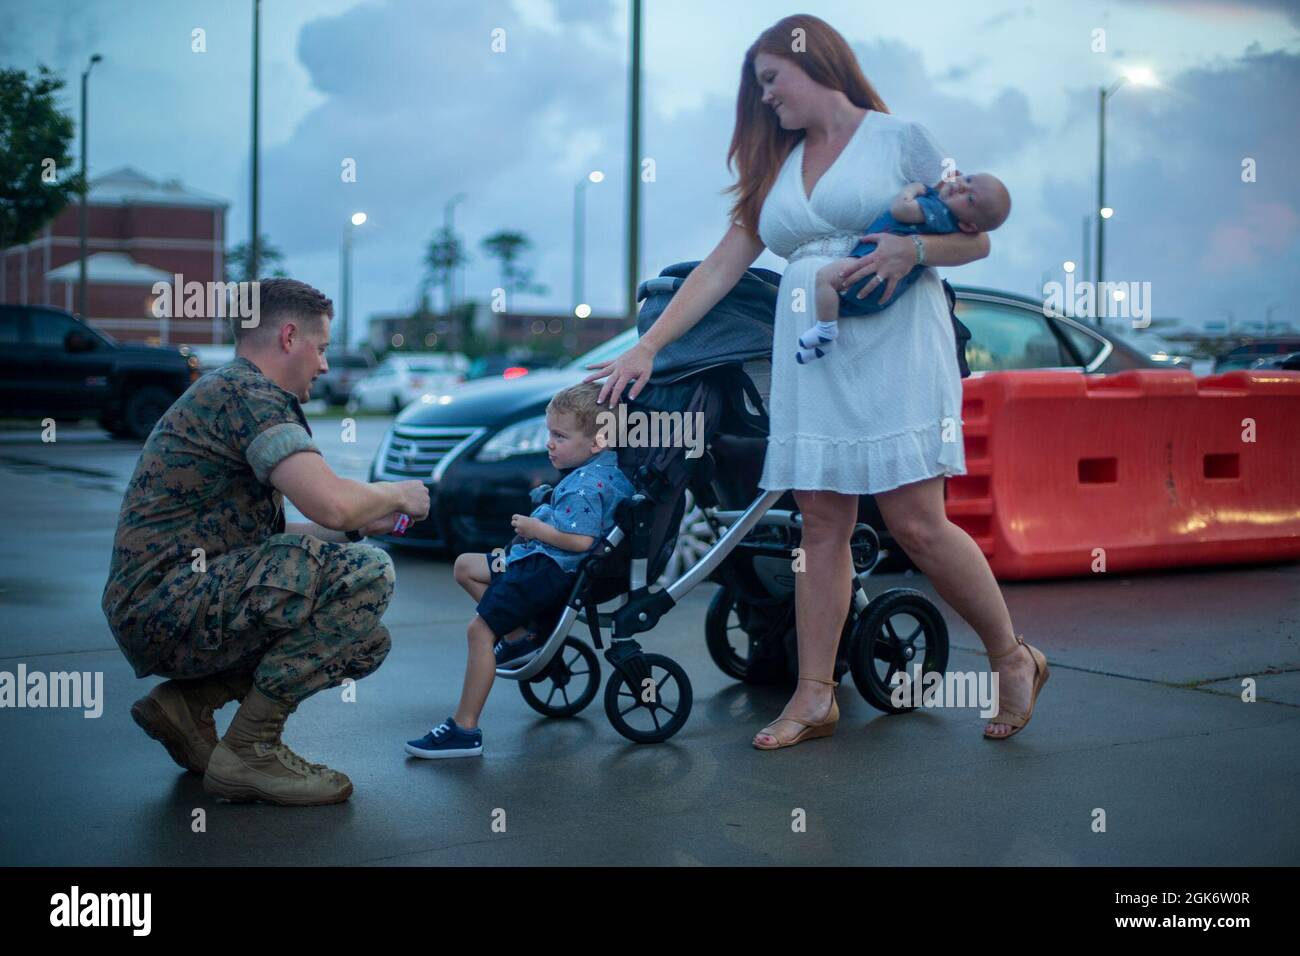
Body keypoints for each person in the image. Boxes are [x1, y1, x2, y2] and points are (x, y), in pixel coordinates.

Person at [584, 14, 1048, 749]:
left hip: (897, 343)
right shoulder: (776, 165)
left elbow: (978, 234)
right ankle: (814, 696)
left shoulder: (903, 139)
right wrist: (650, 346)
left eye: (771, 79)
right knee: (821, 524)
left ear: (817, 61)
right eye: (758, 86)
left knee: (916, 523)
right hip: (812, 351)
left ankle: (1011, 656)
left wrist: (912, 249)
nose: (765, 98)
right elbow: (721, 265)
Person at [101, 278, 430, 804]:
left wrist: (356, 525)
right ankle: (251, 749)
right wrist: (396, 494)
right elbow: (331, 502)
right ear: (289, 336)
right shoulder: (250, 395)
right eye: (321, 349)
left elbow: (280, 535)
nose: (324, 366)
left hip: (167, 603)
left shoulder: (228, 389)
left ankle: (187, 705)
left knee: (362, 638)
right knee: (369, 573)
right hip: (167, 607)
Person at [405, 382, 634, 758]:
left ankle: (464, 729)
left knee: (479, 630)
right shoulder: (598, 472)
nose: (550, 443)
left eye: (560, 436)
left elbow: (580, 542)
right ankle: (518, 637)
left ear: (598, 441)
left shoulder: (586, 486)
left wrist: (535, 528)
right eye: (550, 434)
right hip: (538, 562)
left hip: (547, 571)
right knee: (466, 566)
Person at [798, 171, 1011, 363]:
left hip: (871, 270)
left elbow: (902, 209)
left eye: (970, 198)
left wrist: (914, 188)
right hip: (875, 277)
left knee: (825, 278)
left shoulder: (938, 211)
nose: (962, 186)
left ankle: (825, 330)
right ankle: (823, 335)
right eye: (969, 179)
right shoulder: (946, 213)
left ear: (967, 226)